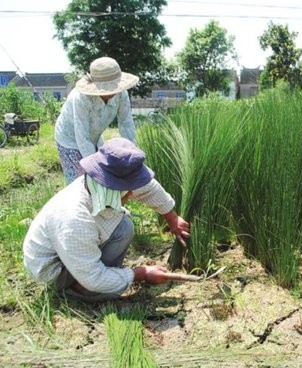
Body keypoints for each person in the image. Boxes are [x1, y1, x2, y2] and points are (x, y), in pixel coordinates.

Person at [23, 138, 190, 302]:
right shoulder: (74, 218)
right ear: (111, 190)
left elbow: (147, 188)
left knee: (124, 227)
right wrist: (140, 274)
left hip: (75, 249)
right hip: (55, 269)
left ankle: (107, 276)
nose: (132, 194)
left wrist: (172, 218)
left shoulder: (101, 183)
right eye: (127, 192)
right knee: (107, 290)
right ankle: (77, 288)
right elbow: (93, 276)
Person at [55, 56, 139, 184]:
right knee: (81, 184)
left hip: (94, 136)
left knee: (103, 181)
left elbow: (126, 123)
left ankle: (101, 202)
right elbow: (82, 135)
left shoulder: (121, 94)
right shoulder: (81, 98)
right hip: (70, 139)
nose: (112, 92)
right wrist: (94, 170)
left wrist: (132, 155)